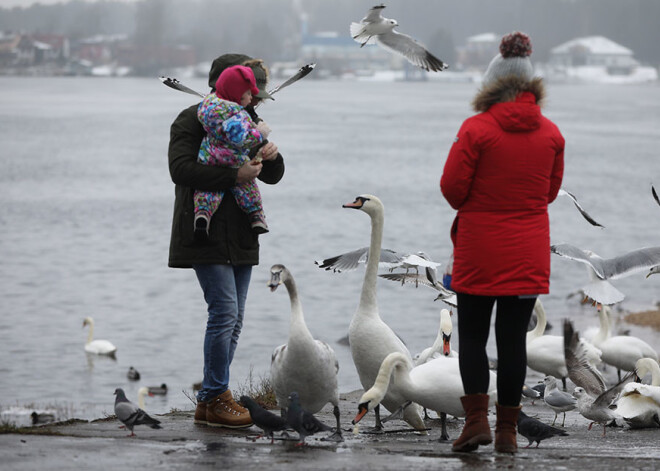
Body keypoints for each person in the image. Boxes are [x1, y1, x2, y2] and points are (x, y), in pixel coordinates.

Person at [439, 31, 564, 453]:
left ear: (491, 85)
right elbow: (548, 193)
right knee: (513, 341)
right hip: (528, 251)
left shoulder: (476, 129)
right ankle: (509, 432)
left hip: (479, 250)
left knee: (472, 336)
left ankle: (476, 422)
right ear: (530, 87)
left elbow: (453, 191)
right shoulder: (551, 134)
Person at [167, 53, 284, 428]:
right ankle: (217, 395)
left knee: (233, 321)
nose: (255, 97)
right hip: (205, 231)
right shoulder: (191, 118)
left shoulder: (244, 118)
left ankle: (209, 402)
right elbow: (180, 169)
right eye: (251, 89)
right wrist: (234, 175)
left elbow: (273, 176)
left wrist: (272, 154)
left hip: (244, 236)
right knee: (224, 314)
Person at [195, 65, 272, 239]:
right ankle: (256, 215)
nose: (252, 97)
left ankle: (203, 213)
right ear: (237, 96)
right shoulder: (235, 113)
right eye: (248, 94)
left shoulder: (207, 105)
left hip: (208, 154)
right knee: (247, 186)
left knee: (208, 190)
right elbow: (241, 138)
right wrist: (260, 133)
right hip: (231, 158)